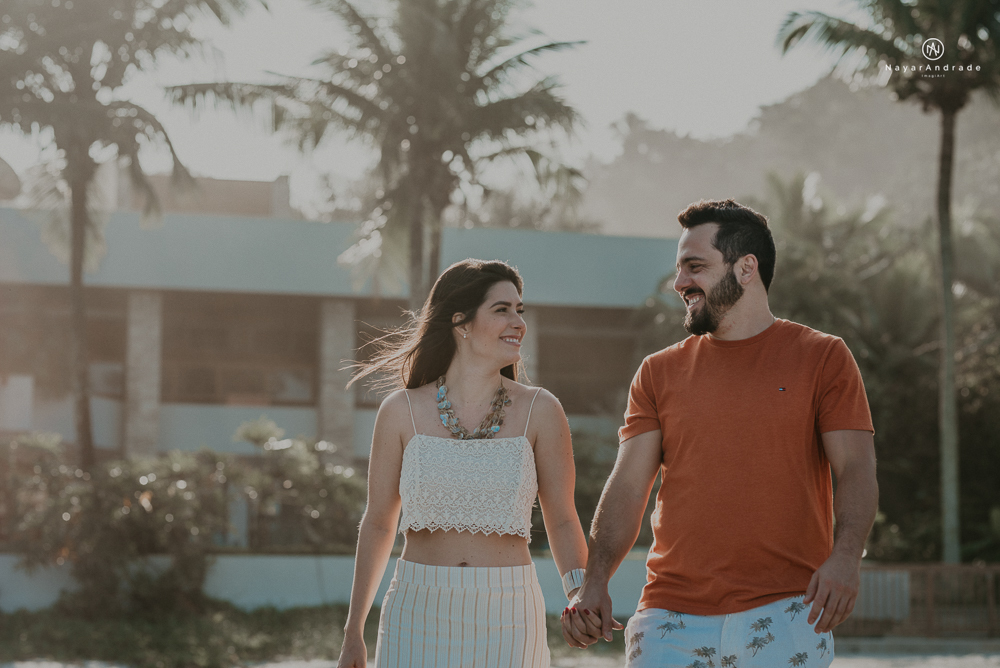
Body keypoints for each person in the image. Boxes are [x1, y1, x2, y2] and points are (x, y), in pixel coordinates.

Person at [562, 199, 878, 668]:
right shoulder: (657, 372)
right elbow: (628, 485)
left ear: (746, 268)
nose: (679, 282)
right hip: (669, 618)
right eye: (679, 269)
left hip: (788, 611)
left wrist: (846, 557)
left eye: (695, 266)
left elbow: (855, 468)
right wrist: (595, 580)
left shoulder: (824, 357)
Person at [337, 259, 589, 668]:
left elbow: (561, 517)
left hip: (510, 612)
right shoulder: (400, 410)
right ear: (461, 322)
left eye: (519, 310)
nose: (518, 322)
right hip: (415, 611)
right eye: (502, 309)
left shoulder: (541, 409)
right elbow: (379, 522)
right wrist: (353, 632)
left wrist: (580, 593)